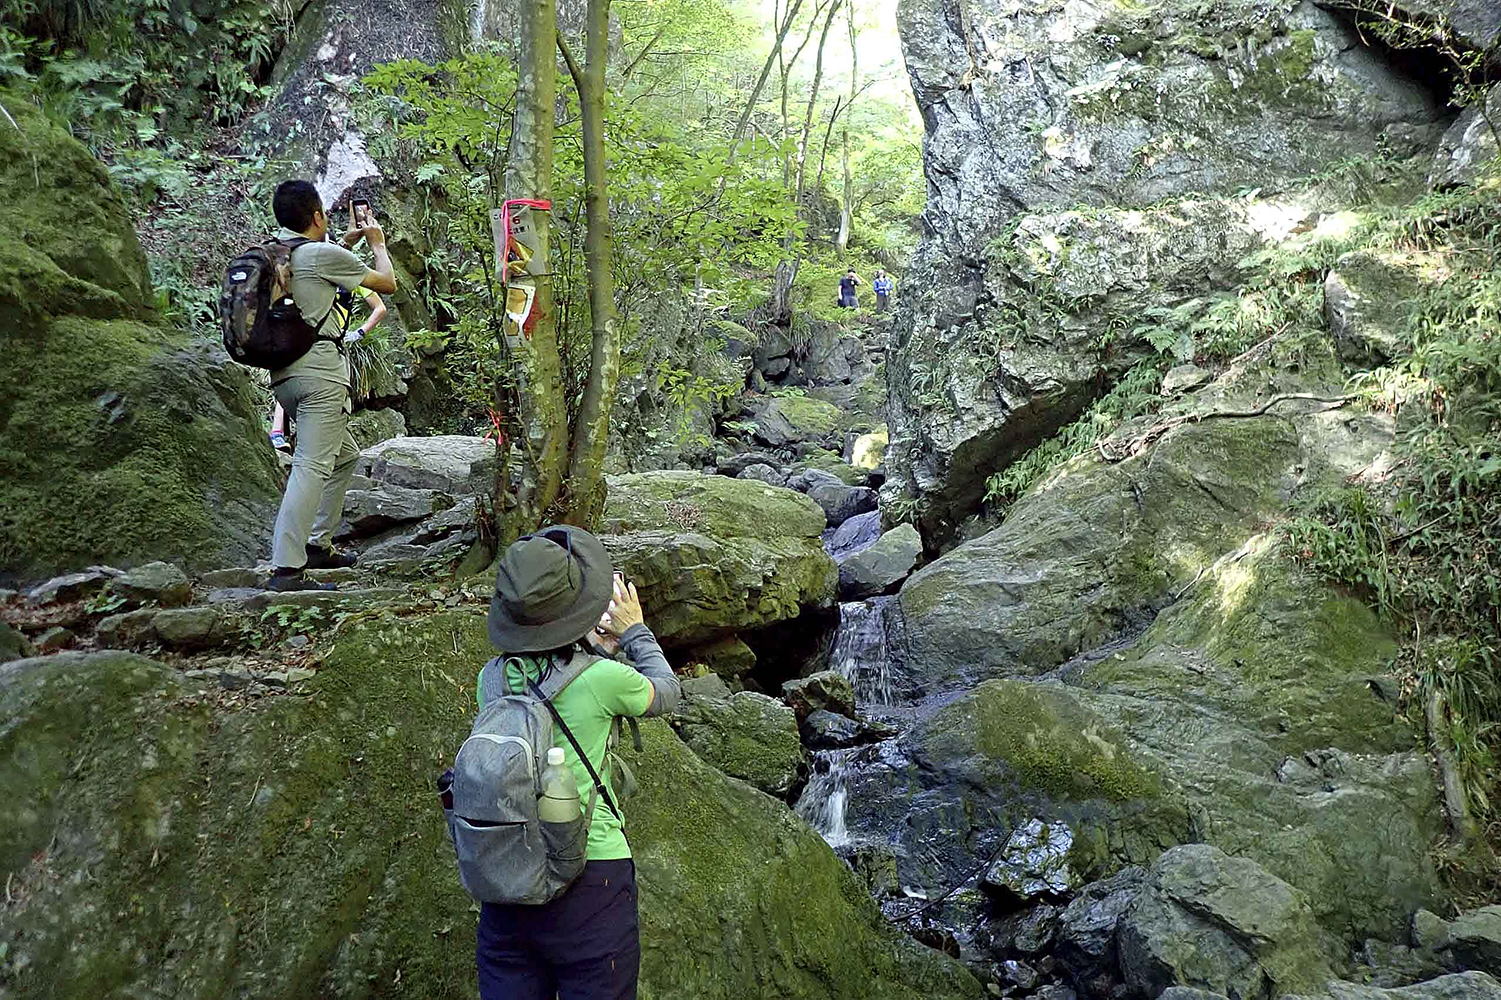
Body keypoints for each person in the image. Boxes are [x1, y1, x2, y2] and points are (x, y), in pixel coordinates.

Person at [476, 526, 680, 1000]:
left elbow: (545, 678)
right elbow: (667, 692)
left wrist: (594, 651)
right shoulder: (604, 681)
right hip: (592, 881)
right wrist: (633, 631)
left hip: (509, 879)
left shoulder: (490, 679)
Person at [263, 181, 397, 593]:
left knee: (344, 457)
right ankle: (286, 568)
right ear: (318, 215)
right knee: (310, 465)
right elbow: (386, 284)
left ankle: (317, 543)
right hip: (321, 377)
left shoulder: (276, 255)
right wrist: (376, 243)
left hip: (285, 376)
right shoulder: (323, 253)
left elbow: (325, 277)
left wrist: (346, 244)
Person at [268, 285, 387, 453]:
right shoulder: (350, 276)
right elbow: (380, 306)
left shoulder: (346, 275)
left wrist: (359, 332)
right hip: (325, 342)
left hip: (317, 338)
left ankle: (281, 434)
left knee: (297, 378)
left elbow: (380, 308)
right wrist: (358, 333)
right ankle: (282, 433)